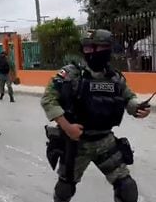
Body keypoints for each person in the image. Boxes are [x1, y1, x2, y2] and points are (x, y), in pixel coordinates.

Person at [41, 29, 151, 202]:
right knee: (64, 190)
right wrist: (67, 127)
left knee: (127, 188)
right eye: (88, 48)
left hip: (105, 142)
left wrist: (138, 108)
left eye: (98, 48)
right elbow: (48, 100)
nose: (92, 53)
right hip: (77, 143)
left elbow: (128, 98)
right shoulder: (71, 74)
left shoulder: (114, 77)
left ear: (107, 48)